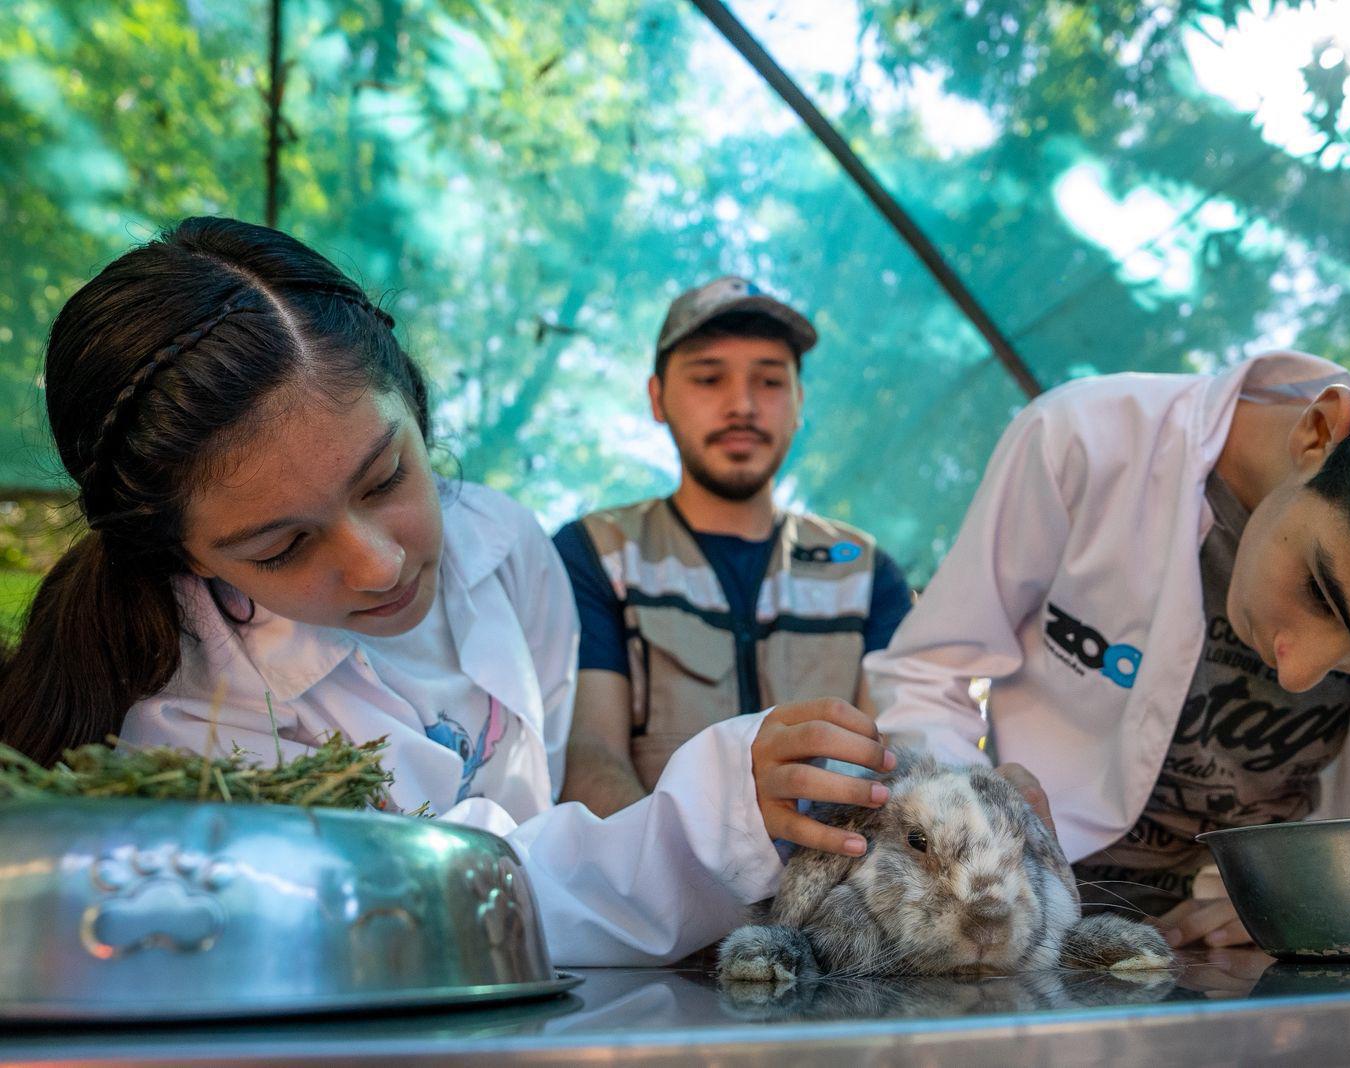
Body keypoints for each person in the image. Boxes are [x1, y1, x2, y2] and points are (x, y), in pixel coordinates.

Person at [0, 217, 895, 966]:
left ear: (417, 408)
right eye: (282, 547)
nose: (379, 565)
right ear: (186, 558)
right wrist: (714, 820)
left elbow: (537, 825)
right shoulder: (195, 736)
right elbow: (451, 896)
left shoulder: (506, 548)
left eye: (386, 477)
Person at [866, 337, 1350, 949]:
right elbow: (931, 669)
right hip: (1023, 925)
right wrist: (969, 825)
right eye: (1320, 590)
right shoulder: (1087, 439)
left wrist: (1312, 907)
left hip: (1257, 945)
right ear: (1319, 433)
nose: (1300, 671)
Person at [552, 276, 913, 817]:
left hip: (837, 893)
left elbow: (899, 759)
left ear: (798, 402)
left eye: (769, 381)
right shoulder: (594, 554)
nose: (741, 405)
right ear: (657, 397)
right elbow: (589, 756)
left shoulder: (865, 573)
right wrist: (668, 876)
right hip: (652, 888)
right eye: (708, 378)